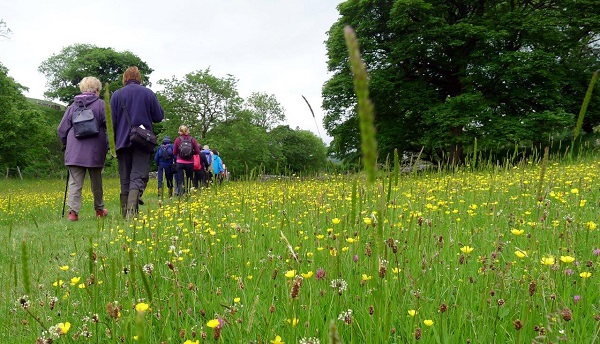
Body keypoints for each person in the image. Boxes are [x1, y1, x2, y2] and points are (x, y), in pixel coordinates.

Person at [110, 66, 164, 218]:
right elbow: (159, 116)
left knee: (125, 178)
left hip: (121, 141)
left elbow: (111, 122)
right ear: (139, 78)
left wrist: (111, 144)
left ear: (125, 78)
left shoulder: (116, 95)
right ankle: (131, 214)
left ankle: (125, 213)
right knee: (138, 176)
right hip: (142, 141)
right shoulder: (147, 93)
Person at [57, 76, 109, 221]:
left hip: (75, 151)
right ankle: (99, 210)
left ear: (82, 89)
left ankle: (73, 213)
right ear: (97, 90)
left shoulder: (73, 106)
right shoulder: (101, 105)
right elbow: (110, 128)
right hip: (95, 150)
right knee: (96, 182)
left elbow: (62, 129)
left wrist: (66, 143)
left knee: (75, 183)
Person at [173, 125, 200, 196]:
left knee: (180, 180)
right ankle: (188, 194)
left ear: (180, 131)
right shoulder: (192, 139)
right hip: (190, 162)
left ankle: (181, 195)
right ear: (187, 130)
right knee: (190, 179)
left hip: (180, 162)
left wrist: (180, 153)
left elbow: (174, 153)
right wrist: (191, 153)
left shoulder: (177, 139)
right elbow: (197, 152)